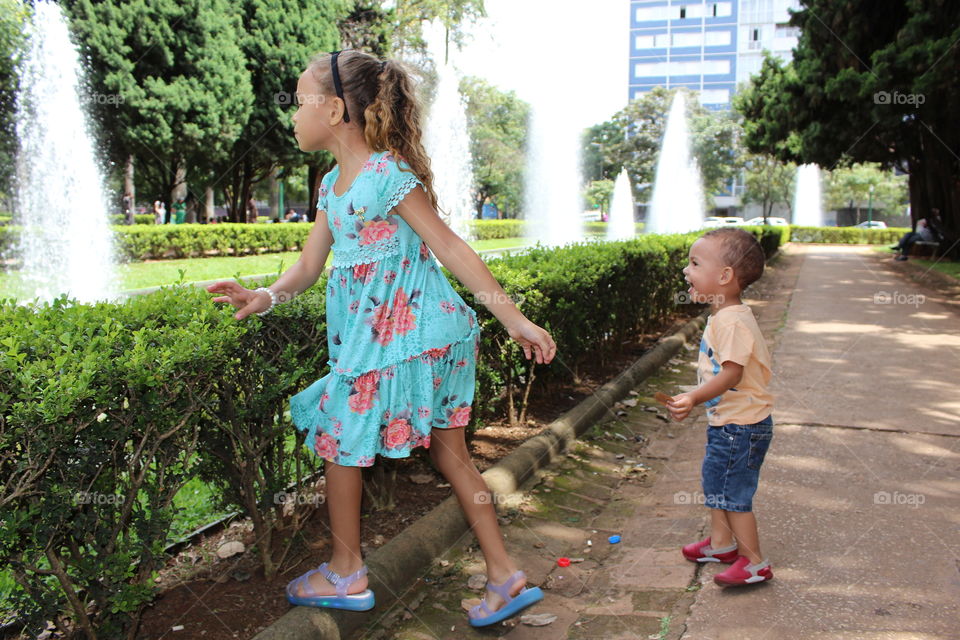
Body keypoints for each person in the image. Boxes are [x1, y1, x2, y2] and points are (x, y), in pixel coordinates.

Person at [206, 49, 556, 627]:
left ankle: (346, 573)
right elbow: (307, 268)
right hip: (410, 338)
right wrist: (263, 296)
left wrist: (512, 318)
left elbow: (448, 246)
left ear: (337, 109)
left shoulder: (387, 175)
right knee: (454, 460)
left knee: (338, 438)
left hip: (412, 338)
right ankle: (504, 576)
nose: (293, 114)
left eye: (300, 102)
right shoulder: (331, 188)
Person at [666, 227, 775, 587]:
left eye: (695, 263)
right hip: (729, 422)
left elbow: (731, 374)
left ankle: (754, 561)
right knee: (717, 483)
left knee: (733, 495)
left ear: (725, 276)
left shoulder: (731, 320)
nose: (686, 270)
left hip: (741, 426)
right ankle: (720, 544)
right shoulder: (724, 315)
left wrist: (694, 398)